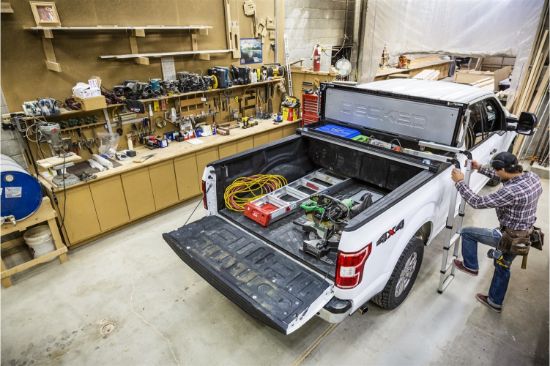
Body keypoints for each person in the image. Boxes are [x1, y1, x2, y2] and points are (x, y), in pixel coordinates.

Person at [450, 152, 542, 312]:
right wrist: (479, 168)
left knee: (466, 232)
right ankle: (494, 301)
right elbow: (505, 177)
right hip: (525, 235)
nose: (495, 173)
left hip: (509, 236)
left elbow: (477, 202)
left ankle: (470, 266)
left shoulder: (511, 192)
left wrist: (459, 183)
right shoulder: (531, 177)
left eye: (496, 170)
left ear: (504, 169)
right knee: (503, 265)